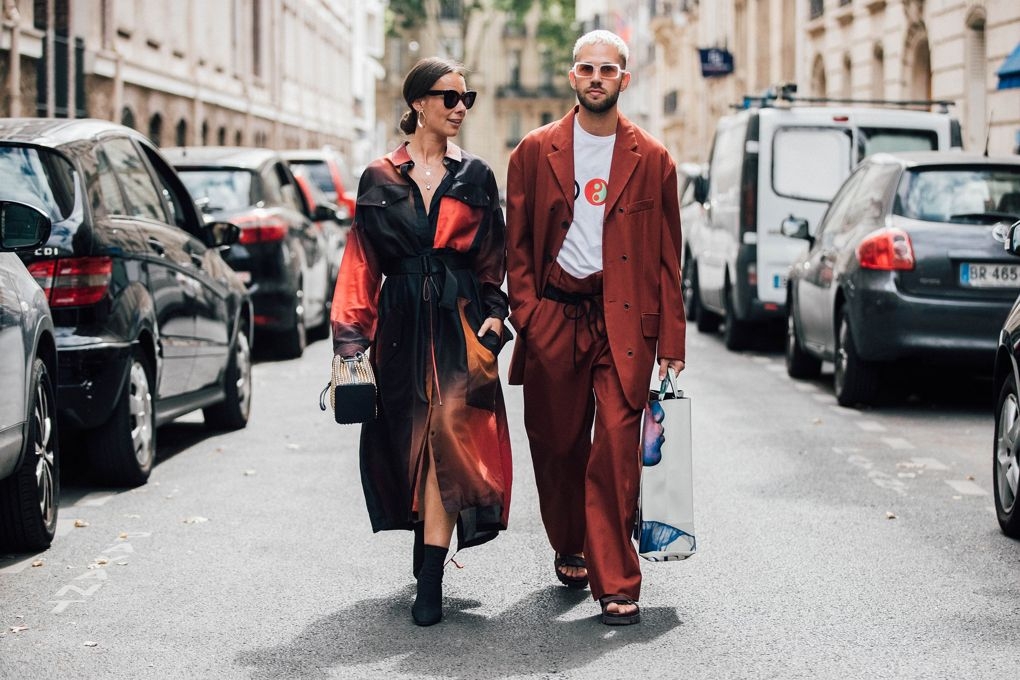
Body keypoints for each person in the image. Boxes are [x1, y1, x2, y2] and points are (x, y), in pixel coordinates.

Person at [505, 29, 686, 626]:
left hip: (624, 320)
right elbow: (518, 248)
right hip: (555, 313)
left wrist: (673, 341)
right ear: (572, 76)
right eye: (587, 68)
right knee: (557, 447)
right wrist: (528, 314)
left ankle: (617, 579)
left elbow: (667, 257)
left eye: (608, 70)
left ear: (623, 81)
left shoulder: (653, 158)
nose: (596, 78)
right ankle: (570, 543)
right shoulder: (533, 151)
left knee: (614, 444)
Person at [330, 57, 513, 627]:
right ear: (418, 104)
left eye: (467, 99)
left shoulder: (476, 176)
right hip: (402, 323)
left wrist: (495, 316)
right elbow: (361, 263)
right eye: (449, 98)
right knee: (409, 438)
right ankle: (425, 540)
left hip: (459, 325)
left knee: (450, 436)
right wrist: (350, 340)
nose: (460, 108)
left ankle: (430, 577)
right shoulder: (379, 177)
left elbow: (491, 261)